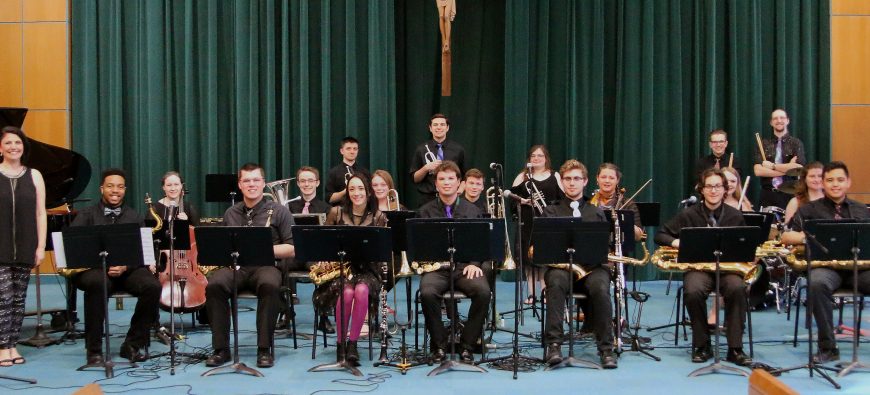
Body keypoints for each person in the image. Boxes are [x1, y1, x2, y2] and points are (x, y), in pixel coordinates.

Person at [654, 168, 751, 366]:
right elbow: (660, 235)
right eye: (709, 186)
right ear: (701, 190)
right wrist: (677, 243)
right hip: (698, 269)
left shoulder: (735, 215)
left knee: (737, 288)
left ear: (725, 189)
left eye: (718, 186)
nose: (713, 190)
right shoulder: (688, 214)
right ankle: (702, 344)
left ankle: (735, 348)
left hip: (728, 270)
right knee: (693, 290)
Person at [204, 163, 295, 369]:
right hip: (238, 268)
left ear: (263, 183)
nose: (251, 184)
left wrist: (263, 250)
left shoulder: (280, 212)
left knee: (269, 285)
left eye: (256, 180)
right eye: (246, 180)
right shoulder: (230, 213)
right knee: (214, 285)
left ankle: (264, 349)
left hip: (266, 266)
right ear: (240, 184)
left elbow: (292, 248)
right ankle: (221, 349)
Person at [781, 161, 870, 363]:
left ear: (848, 183)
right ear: (822, 183)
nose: (835, 184)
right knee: (816, 283)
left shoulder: (861, 210)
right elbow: (786, 237)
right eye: (830, 180)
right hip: (827, 269)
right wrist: (810, 237)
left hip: (859, 269)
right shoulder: (809, 210)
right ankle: (828, 347)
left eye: (840, 180)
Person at [70, 168, 159, 365]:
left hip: (127, 270)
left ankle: (133, 343)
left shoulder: (135, 217)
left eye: (120, 187)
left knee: (153, 286)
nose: (115, 190)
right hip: (95, 271)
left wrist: (125, 266)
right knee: (98, 284)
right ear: (102, 188)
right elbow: (74, 249)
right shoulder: (86, 215)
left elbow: (144, 252)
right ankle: (94, 350)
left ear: (125, 190)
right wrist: (102, 265)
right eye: (110, 186)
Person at [540, 159, 616, 369]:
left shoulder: (596, 212)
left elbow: (603, 248)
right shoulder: (551, 212)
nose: (572, 183)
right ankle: (554, 344)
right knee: (554, 282)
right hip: (562, 269)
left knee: (601, 287)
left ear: (585, 182)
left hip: (592, 269)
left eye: (576, 179)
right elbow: (543, 248)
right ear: (562, 182)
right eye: (567, 179)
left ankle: (606, 349)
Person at [417, 161, 490, 363]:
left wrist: (475, 263)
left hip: (464, 267)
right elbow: (419, 246)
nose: (446, 183)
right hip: (437, 268)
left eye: (451, 179)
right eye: (442, 179)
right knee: (427, 293)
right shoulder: (425, 211)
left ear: (459, 183)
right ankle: (439, 345)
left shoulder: (472, 210)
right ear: (436, 184)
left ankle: (467, 345)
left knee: (483, 292)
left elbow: (481, 243)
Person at [313, 175, 387, 365]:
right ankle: (340, 344)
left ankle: (352, 344)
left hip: (368, 270)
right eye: (352, 189)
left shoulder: (379, 217)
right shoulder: (336, 213)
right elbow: (323, 245)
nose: (356, 193)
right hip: (341, 270)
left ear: (368, 191)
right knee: (346, 292)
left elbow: (381, 252)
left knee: (361, 290)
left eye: (361, 188)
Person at [0, 126, 46, 366]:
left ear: (23, 147)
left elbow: (41, 213)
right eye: (8, 143)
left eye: (17, 143)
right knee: (3, 298)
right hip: (1, 246)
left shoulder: (35, 175)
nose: (13, 147)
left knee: (19, 299)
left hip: (26, 245)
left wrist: (40, 247)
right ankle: (1, 346)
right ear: (0, 148)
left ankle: (13, 345)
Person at [510, 145, 564, 304]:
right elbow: (512, 199)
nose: (536, 158)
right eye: (533, 156)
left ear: (546, 158)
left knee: (545, 258)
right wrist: (523, 201)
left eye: (540, 156)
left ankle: (545, 291)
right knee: (528, 259)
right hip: (527, 223)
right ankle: (532, 294)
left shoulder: (555, 176)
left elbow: (562, 198)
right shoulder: (522, 176)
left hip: (547, 221)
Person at [753, 109, 806, 209]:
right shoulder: (763, 144)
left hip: (790, 194)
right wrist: (787, 169)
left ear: (787, 121)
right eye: (775, 118)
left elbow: (798, 168)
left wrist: (772, 166)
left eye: (782, 117)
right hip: (768, 194)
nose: (779, 120)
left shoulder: (796, 143)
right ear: (771, 122)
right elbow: (758, 171)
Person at [410, 113, 466, 205]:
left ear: (447, 128)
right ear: (430, 128)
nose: (439, 127)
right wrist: (426, 168)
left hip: (451, 197)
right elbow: (415, 179)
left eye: (442, 124)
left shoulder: (458, 149)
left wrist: (460, 189)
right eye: (435, 125)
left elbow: (465, 175)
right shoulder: (421, 149)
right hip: (427, 199)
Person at [590, 162, 644, 240]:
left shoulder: (627, 204)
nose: (607, 181)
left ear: (617, 180)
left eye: (611, 178)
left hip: (619, 249)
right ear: (597, 178)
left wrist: (625, 221)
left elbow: (638, 237)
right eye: (603, 177)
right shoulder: (588, 203)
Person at [326, 137, 371, 205]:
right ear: (341, 151)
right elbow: (329, 199)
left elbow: (370, 195)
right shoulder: (334, 172)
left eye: (355, 149)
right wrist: (345, 191)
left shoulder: (365, 172)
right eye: (348, 148)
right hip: (342, 212)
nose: (352, 152)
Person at [783, 161, 824, 226]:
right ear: (805, 179)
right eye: (812, 176)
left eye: (820, 176)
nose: (816, 179)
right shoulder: (795, 202)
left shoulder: (831, 200)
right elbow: (787, 231)